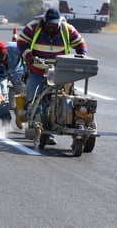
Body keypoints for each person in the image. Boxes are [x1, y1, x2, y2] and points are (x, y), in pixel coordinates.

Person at [17, 8, 87, 144]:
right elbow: (21, 42)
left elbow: (81, 44)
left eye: (54, 24)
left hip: (59, 72)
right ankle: (34, 126)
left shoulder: (68, 29)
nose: (51, 27)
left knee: (61, 99)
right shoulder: (33, 26)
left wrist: (81, 57)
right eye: (49, 24)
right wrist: (28, 55)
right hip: (37, 70)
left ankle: (50, 129)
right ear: (44, 21)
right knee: (33, 98)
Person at [0, 41, 26, 127]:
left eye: (0, 57)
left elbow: (27, 57)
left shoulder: (16, 48)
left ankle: (20, 115)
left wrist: (26, 72)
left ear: (5, 52)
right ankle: (5, 119)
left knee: (24, 95)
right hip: (2, 76)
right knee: (1, 100)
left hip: (17, 72)